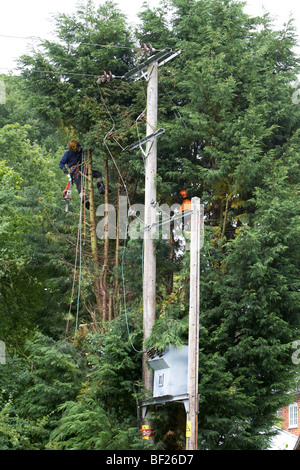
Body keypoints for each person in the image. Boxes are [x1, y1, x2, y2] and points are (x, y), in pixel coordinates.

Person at [59, 140, 105, 210]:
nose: (76, 149)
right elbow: (61, 163)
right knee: (80, 186)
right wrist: (64, 169)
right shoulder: (67, 153)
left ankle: (101, 188)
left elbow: (86, 151)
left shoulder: (80, 151)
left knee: (98, 174)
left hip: (82, 168)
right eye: (75, 147)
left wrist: (91, 147)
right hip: (74, 171)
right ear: (72, 147)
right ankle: (84, 200)